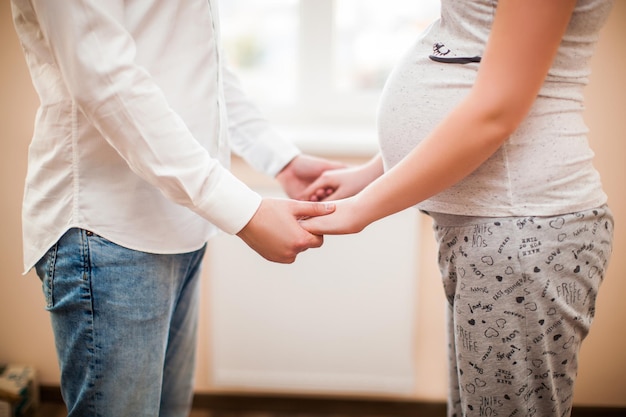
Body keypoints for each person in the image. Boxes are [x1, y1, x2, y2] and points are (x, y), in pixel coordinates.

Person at [10, 1, 341, 416]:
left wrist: (279, 159)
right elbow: (104, 77)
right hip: (108, 232)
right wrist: (244, 211)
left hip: (182, 226)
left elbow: (198, 63)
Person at [301, 1, 615, 416]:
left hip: (521, 230)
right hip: (498, 229)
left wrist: (362, 209)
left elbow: (494, 111)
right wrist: (372, 173)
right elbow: (471, 67)